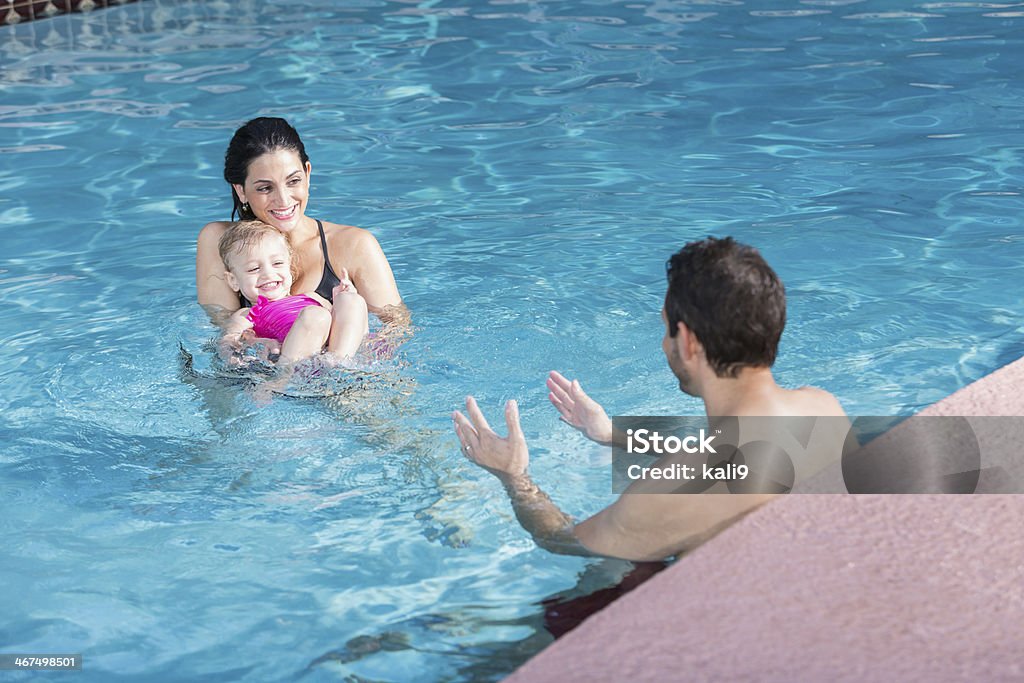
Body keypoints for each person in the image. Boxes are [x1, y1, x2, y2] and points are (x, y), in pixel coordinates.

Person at [452, 237, 848, 562]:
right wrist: (613, 434)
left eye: (666, 329)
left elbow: (564, 540)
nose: (664, 344)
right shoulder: (822, 407)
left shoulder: (664, 493)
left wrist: (514, 476)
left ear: (688, 342)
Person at [196, 117, 405, 339]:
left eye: (293, 181)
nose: (284, 200)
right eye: (265, 188)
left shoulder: (354, 245)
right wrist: (256, 346)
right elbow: (220, 331)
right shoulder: (220, 240)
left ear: (307, 173)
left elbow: (397, 329)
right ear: (241, 191)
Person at [218, 220, 368, 364]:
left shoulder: (313, 297)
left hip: (330, 354)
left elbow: (347, 325)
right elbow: (227, 345)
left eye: (277, 263)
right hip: (291, 364)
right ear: (233, 281)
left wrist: (342, 301)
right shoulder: (247, 315)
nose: (268, 274)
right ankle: (284, 377)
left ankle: (339, 362)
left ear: (289, 266)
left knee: (352, 301)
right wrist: (255, 342)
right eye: (254, 269)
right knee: (315, 315)